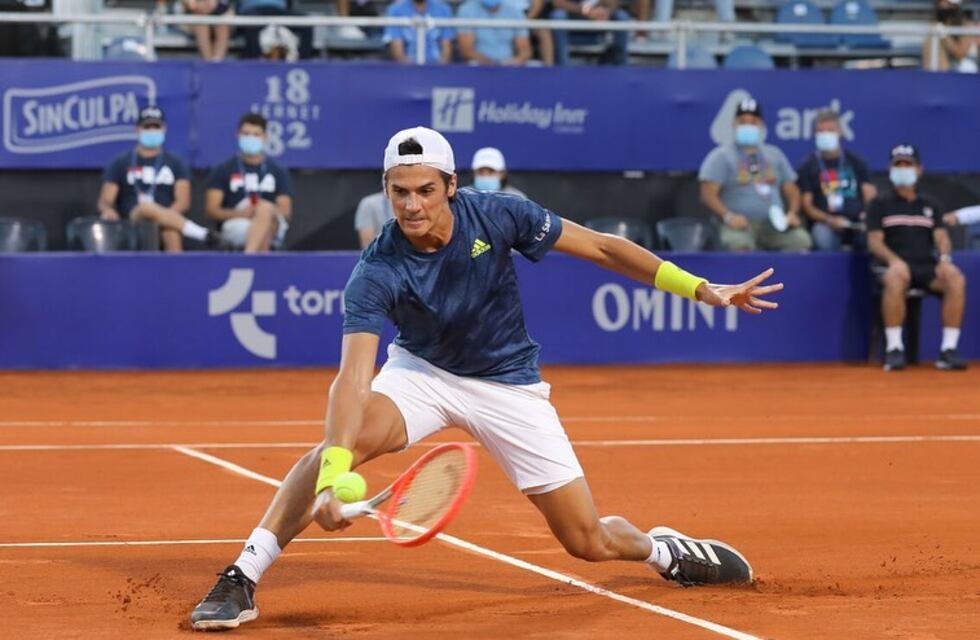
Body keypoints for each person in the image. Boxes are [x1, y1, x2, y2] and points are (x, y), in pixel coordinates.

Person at [189, 126, 783, 630]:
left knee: (588, 542)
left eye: (426, 190)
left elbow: (602, 248)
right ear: (386, 191)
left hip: (508, 384)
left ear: (451, 186)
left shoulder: (499, 213)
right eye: (399, 192)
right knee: (330, 447)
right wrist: (336, 471)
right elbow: (351, 380)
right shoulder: (376, 270)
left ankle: (663, 551)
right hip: (422, 373)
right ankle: (242, 574)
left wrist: (699, 287)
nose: (413, 205)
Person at [867, 144, 968, 372]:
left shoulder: (931, 204)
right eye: (898, 165)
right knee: (895, 277)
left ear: (919, 169)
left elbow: (941, 237)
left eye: (908, 164)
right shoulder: (879, 204)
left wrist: (943, 258)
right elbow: (875, 242)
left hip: (926, 266)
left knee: (955, 278)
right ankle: (894, 348)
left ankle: (948, 350)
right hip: (894, 267)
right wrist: (894, 260)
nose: (903, 169)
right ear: (890, 169)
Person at [97, 106, 218, 252]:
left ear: (164, 129)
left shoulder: (175, 162)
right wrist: (108, 210)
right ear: (137, 129)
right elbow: (105, 201)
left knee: (171, 232)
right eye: (147, 127)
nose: (152, 131)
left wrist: (162, 216)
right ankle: (201, 234)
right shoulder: (121, 162)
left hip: (169, 219)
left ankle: (176, 274)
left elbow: (183, 202)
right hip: (132, 220)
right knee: (146, 208)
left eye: (156, 127)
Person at [699, 98, 812, 252]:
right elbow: (707, 194)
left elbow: (792, 189)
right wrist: (728, 217)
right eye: (743, 121)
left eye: (753, 122)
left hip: (774, 224)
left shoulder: (775, 154)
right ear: (734, 124)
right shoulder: (721, 156)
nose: (748, 126)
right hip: (740, 224)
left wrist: (792, 213)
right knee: (738, 244)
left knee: (801, 241)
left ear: (761, 126)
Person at [204, 113, 294, 253]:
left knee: (264, 211)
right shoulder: (223, 169)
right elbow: (212, 210)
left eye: (256, 135)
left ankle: (249, 258)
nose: (250, 138)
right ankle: (258, 265)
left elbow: (285, 211)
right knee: (264, 226)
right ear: (238, 135)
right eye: (246, 134)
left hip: (273, 222)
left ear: (265, 137)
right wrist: (242, 213)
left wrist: (260, 211)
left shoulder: (278, 171)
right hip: (237, 222)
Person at [796, 109, 876, 251]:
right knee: (822, 236)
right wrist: (829, 220)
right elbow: (807, 206)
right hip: (826, 223)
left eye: (830, 130)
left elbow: (870, 195)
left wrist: (866, 215)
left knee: (870, 237)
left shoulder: (856, 162)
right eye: (821, 131)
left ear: (840, 132)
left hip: (856, 222)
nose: (825, 134)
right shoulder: (807, 166)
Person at [550, 0, 630, 66]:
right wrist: (587, 11)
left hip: (600, 16)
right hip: (573, 15)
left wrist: (606, 11)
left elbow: (614, 2)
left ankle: (621, 66)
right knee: (558, 16)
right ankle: (563, 66)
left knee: (622, 16)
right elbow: (558, 3)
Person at [457, 0, 533, 66]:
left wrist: (515, 61)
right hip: (478, 65)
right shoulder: (466, 9)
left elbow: (525, 50)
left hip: (508, 66)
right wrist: (492, 64)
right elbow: (467, 51)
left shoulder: (514, 11)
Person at [383, 0, 455, 64]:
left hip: (438, 69)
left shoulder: (443, 9)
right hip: (407, 71)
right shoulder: (395, 10)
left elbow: (446, 51)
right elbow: (398, 53)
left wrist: (437, 71)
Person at [922, 0, 979, 72]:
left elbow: (960, 54)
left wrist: (944, 34)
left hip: (965, 72)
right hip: (943, 72)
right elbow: (927, 58)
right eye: (941, 3)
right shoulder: (935, 25)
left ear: (955, 6)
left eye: (947, 3)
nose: (943, 6)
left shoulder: (967, 26)